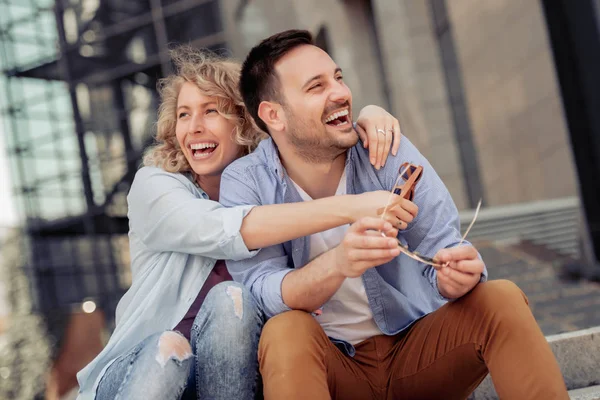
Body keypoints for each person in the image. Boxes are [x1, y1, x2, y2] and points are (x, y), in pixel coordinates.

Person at [220, 30, 569, 400]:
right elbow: (261, 291)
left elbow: (442, 244)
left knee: (501, 298)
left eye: (338, 78)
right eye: (316, 86)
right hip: (332, 372)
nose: (340, 93)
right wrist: (339, 263)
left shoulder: (384, 148)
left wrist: (455, 275)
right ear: (274, 115)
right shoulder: (246, 182)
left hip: (416, 354)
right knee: (284, 331)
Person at [75, 45, 408, 400]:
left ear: (244, 120)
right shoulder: (155, 186)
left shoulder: (273, 189)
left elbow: (310, 136)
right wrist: (354, 207)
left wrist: (367, 121)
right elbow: (225, 228)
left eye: (211, 111)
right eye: (184, 115)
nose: (194, 127)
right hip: (138, 373)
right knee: (169, 347)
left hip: (232, 381)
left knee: (233, 298)